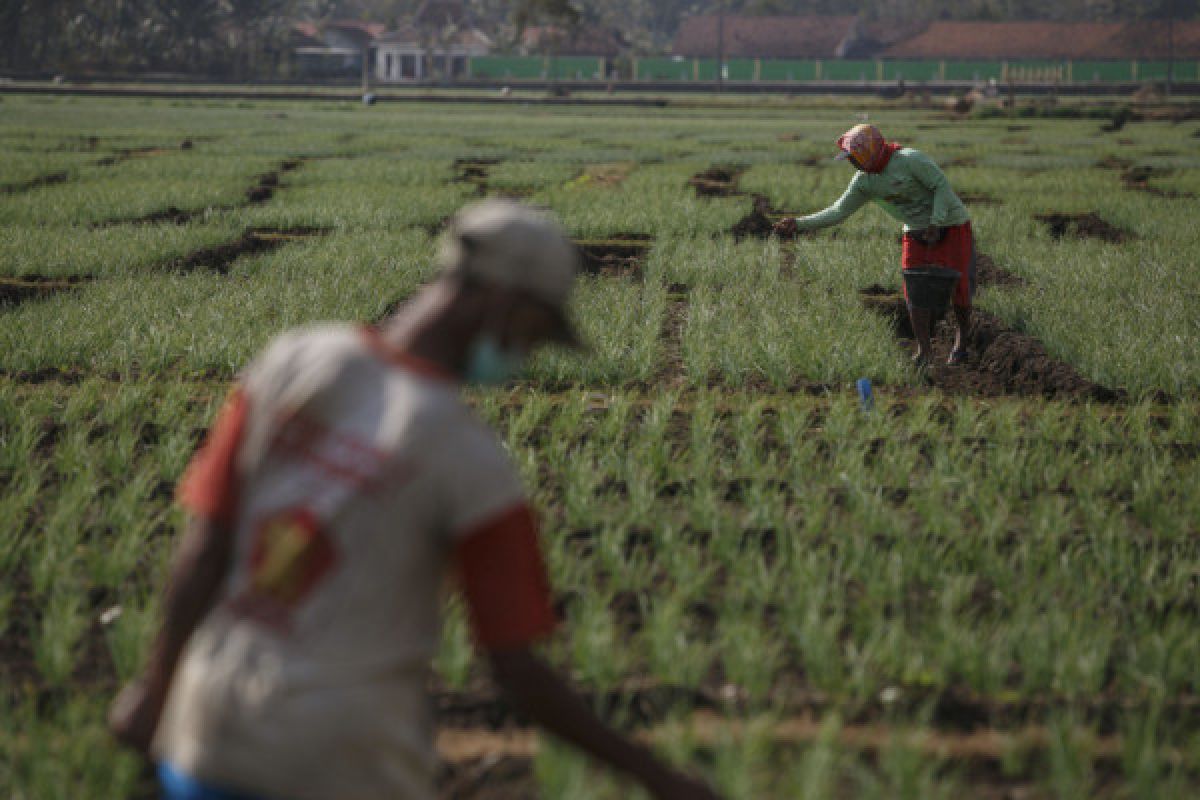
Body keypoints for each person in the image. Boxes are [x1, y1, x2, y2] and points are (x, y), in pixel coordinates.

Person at [108, 199, 721, 800]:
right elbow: (518, 670)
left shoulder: (291, 361)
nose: (530, 355)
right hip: (341, 758)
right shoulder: (468, 459)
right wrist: (658, 777)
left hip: (210, 725)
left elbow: (207, 544)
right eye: (537, 332)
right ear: (504, 301)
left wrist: (155, 686)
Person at [774, 123, 975, 367]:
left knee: (959, 286)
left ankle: (961, 342)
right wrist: (799, 224)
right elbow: (838, 211)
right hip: (914, 232)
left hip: (951, 225)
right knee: (913, 289)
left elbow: (941, 186)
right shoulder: (864, 182)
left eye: (854, 158)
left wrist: (936, 222)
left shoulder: (910, 160)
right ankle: (924, 350)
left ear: (869, 151)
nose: (853, 164)